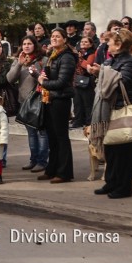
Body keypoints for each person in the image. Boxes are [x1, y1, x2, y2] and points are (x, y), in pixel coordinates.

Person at [93, 29, 132, 199]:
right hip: (110, 109)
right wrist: (100, 71)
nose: (107, 44)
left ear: (119, 45)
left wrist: (103, 72)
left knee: (122, 152)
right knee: (111, 149)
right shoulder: (113, 60)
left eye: (110, 42)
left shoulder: (129, 62)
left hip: (121, 109)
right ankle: (111, 182)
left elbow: (122, 82)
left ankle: (123, 187)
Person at [37, 28, 77, 183]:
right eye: (52, 36)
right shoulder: (52, 56)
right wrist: (40, 76)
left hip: (60, 100)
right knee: (52, 138)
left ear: (64, 39)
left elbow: (61, 82)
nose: (54, 38)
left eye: (57, 36)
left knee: (61, 137)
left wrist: (44, 82)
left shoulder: (67, 57)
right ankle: (51, 169)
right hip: (50, 99)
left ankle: (64, 172)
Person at [7, 35, 49, 172]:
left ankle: (42, 161)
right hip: (24, 102)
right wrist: (19, 64)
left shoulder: (43, 60)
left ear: (34, 45)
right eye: (24, 44)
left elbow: (47, 79)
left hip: (39, 101)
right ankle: (34, 159)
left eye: (29, 43)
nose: (26, 46)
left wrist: (37, 74)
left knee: (41, 133)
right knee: (31, 133)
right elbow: (10, 79)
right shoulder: (19, 60)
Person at [72, 35, 97, 129]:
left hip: (87, 81)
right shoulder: (77, 53)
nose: (83, 43)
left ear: (91, 44)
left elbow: (88, 65)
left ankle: (88, 122)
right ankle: (78, 121)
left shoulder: (92, 54)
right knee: (77, 102)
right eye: (82, 42)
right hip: (76, 80)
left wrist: (80, 59)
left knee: (87, 103)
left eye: (86, 42)